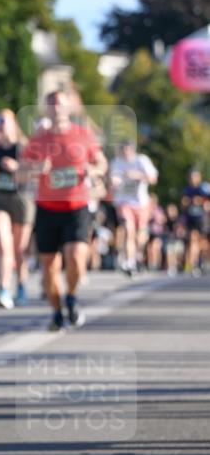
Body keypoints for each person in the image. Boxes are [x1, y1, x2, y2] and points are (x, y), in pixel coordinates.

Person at [22, 90, 107, 331]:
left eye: (60, 103)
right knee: (49, 265)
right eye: (51, 103)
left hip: (76, 206)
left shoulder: (83, 134)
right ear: (46, 109)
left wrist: (94, 170)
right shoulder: (38, 139)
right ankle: (57, 311)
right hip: (47, 207)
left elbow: (101, 162)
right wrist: (36, 167)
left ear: (68, 107)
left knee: (77, 258)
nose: (56, 107)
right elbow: (21, 169)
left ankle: (71, 295)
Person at [0, 109, 35, 309]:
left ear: (13, 123)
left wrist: (17, 168)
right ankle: (3, 289)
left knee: (19, 249)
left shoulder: (23, 146)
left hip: (21, 199)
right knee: (4, 245)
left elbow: (34, 174)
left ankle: (21, 284)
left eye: (3, 120)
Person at [109, 140, 158, 275]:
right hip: (123, 202)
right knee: (128, 229)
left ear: (132, 150)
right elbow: (112, 179)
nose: (125, 152)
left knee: (140, 234)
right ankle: (130, 261)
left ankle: (138, 254)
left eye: (127, 149)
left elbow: (153, 178)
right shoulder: (116, 162)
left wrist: (137, 175)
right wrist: (114, 183)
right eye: (123, 149)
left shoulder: (142, 160)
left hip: (141, 202)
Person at [180, 169, 208, 275]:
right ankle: (193, 264)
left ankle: (201, 261)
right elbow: (183, 203)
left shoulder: (203, 188)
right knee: (192, 240)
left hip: (201, 218)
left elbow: (206, 201)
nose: (193, 179)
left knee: (202, 242)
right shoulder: (187, 189)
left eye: (195, 177)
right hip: (191, 218)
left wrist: (199, 201)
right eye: (191, 177)